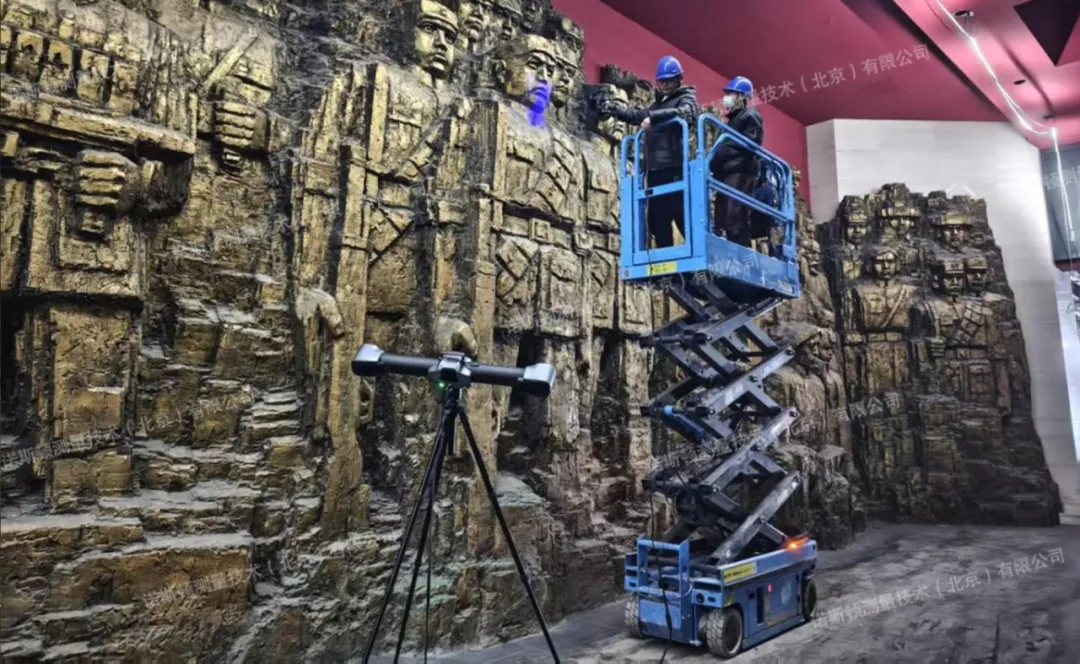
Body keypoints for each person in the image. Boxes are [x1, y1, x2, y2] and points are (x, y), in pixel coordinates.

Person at [602, 55, 699, 248]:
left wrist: (654, 118)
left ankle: (700, 256)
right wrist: (615, 109)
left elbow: (685, 113)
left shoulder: (686, 98)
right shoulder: (657, 105)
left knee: (682, 216)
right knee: (657, 220)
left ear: (679, 79)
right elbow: (639, 115)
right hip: (654, 170)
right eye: (661, 81)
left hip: (674, 168)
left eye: (669, 80)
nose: (665, 85)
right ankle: (667, 265)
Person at [710, 76, 764, 247]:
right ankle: (727, 250)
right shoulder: (731, 121)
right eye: (727, 94)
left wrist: (722, 153)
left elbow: (750, 143)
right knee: (722, 217)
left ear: (742, 96)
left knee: (735, 217)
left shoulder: (750, 115)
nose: (726, 98)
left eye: (731, 94)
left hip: (740, 172)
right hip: (726, 174)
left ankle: (740, 254)